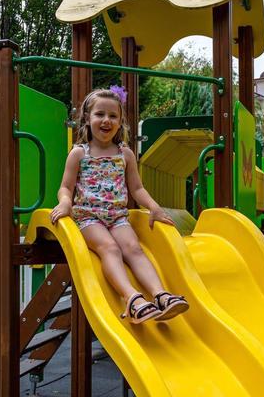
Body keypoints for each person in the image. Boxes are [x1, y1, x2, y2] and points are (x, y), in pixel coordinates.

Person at [50, 88, 189, 324]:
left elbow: (137, 188)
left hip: (117, 217)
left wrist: (154, 208)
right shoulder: (78, 154)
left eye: (113, 116)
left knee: (134, 249)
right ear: (87, 118)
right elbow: (65, 187)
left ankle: (160, 295)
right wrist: (65, 203)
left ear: (120, 121)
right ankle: (132, 298)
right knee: (110, 249)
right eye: (100, 114)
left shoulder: (125, 153)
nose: (106, 120)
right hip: (88, 218)